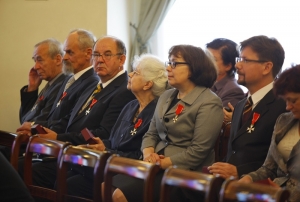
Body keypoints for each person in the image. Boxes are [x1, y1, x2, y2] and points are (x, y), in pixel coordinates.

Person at [111, 45, 223, 202]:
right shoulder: (167, 96)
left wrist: (161, 163)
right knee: (107, 185)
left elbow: (198, 151)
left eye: (175, 64)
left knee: (119, 195)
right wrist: (149, 155)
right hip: (157, 167)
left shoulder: (209, 102)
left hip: (186, 175)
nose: (168, 68)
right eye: (168, 63)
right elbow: (151, 133)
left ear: (194, 68)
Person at [25, 35, 135, 189]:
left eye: (107, 54)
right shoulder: (94, 85)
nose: (100, 60)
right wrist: (45, 131)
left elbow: (102, 133)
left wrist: (59, 137)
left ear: (122, 60)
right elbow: (71, 118)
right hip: (71, 156)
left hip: (91, 163)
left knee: (35, 173)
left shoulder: (124, 90)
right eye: (96, 55)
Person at [65, 53, 168, 199]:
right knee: (64, 179)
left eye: (136, 72)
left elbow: (139, 155)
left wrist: (106, 150)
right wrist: (99, 145)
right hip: (110, 166)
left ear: (148, 84)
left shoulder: (157, 112)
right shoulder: (130, 106)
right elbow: (114, 140)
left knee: (72, 185)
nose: (130, 74)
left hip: (128, 172)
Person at [208, 35, 287, 179]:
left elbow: (281, 162)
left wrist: (240, 172)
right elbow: (235, 151)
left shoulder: (284, 106)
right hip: (228, 185)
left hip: (258, 189)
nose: (237, 65)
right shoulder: (241, 105)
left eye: (245, 60)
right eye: (239, 59)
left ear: (266, 67)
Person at [17, 29, 99, 132]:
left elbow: (70, 120)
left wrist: (33, 126)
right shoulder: (70, 81)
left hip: (60, 141)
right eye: (65, 52)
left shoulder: (92, 82)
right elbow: (27, 119)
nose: (64, 58)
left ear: (88, 53)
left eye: (69, 52)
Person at [239, 65, 300, 202]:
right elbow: (269, 168)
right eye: (286, 100)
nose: (287, 107)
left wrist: (286, 195)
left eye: (293, 100)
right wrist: (249, 178)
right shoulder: (284, 120)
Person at [19, 38, 67, 124]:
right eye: (35, 60)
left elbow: (41, 121)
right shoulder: (52, 83)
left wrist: (28, 125)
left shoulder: (64, 84)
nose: (35, 67)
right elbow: (25, 118)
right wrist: (32, 88)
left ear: (58, 59)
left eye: (40, 60)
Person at [206, 38, 244, 108]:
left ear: (228, 66)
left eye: (212, 59)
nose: (205, 62)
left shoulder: (233, 91)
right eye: (205, 57)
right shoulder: (204, 82)